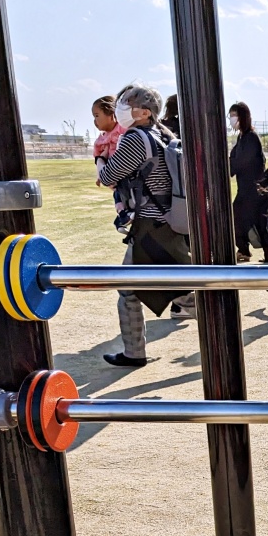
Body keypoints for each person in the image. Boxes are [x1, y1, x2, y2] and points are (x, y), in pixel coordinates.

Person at [97, 83, 196, 368]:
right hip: (169, 222)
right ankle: (134, 351)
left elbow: (109, 176)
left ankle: (135, 353)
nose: (120, 109)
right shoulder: (163, 135)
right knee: (178, 288)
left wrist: (100, 162)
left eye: (126, 104)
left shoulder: (135, 138)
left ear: (142, 112)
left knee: (134, 289)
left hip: (150, 226)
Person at [228, 101, 266, 262]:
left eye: (234, 116)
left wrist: (228, 167)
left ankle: (249, 249)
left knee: (247, 219)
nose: (231, 119)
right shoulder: (242, 137)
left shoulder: (251, 138)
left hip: (253, 189)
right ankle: (243, 249)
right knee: (239, 218)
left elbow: (242, 162)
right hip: (245, 188)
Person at [91, 95, 130, 234]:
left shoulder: (122, 129)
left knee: (124, 193)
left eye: (97, 115)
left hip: (125, 171)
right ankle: (122, 217)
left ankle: (123, 217)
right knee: (117, 195)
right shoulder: (102, 138)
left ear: (112, 114)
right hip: (114, 173)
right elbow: (97, 155)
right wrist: (99, 175)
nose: (95, 121)